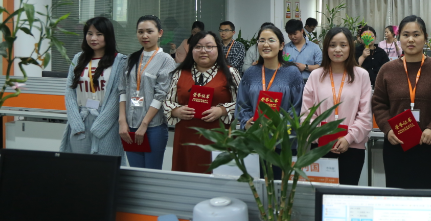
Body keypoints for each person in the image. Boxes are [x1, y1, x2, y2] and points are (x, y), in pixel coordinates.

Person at [371, 15, 431, 189]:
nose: (411, 40)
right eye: (406, 35)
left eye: (416, 34)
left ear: (425, 37)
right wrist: (388, 129)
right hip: (396, 144)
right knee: (396, 195)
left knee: (426, 195)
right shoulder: (387, 70)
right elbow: (379, 104)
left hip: (427, 144)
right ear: (399, 38)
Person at [302, 27, 372, 185]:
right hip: (320, 147)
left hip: (352, 147)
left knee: (346, 194)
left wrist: (348, 138)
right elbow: (306, 113)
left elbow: (365, 114)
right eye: (332, 45)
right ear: (326, 48)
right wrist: (321, 136)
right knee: (321, 195)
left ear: (350, 47)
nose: (337, 49)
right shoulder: (315, 76)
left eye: (343, 45)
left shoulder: (361, 75)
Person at [164, 31, 240, 174]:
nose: (203, 51)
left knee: (216, 176)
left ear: (218, 49)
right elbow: (167, 101)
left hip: (219, 136)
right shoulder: (180, 73)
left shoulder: (230, 73)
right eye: (198, 47)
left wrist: (222, 110)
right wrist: (176, 111)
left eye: (209, 47)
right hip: (186, 136)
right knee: (187, 175)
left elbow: (242, 104)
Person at [59, 17, 127, 163]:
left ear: (108, 36)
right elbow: (70, 92)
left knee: (105, 168)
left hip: (107, 123)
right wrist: (76, 123)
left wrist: (101, 125)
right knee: (79, 167)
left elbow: (117, 96)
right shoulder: (78, 59)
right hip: (81, 121)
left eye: (99, 34)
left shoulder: (120, 61)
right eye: (89, 34)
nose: (93, 38)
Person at [118, 15, 176, 169]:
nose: (145, 36)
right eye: (140, 32)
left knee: (151, 174)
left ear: (160, 33)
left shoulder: (166, 60)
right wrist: (122, 121)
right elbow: (122, 90)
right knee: (135, 173)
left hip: (153, 127)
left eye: (150, 31)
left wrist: (144, 124)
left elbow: (161, 95)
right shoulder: (131, 58)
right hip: (129, 126)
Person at [236, 23, 304, 131]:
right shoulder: (250, 73)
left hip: (283, 135)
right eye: (262, 41)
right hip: (255, 135)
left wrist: (281, 125)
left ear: (281, 45)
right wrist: (247, 123)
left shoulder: (292, 73)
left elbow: (297, 107)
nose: (266, 44)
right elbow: (242, 105)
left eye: (271, 40)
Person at [284, 19, 322, 83]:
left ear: (302, 31)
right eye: (290, 34)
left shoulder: (314, 47)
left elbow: (320, 67)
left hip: (309, 82)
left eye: (295, 34)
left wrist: (306, 67)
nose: (292, 37)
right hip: (290, 82)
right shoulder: (285, 48)